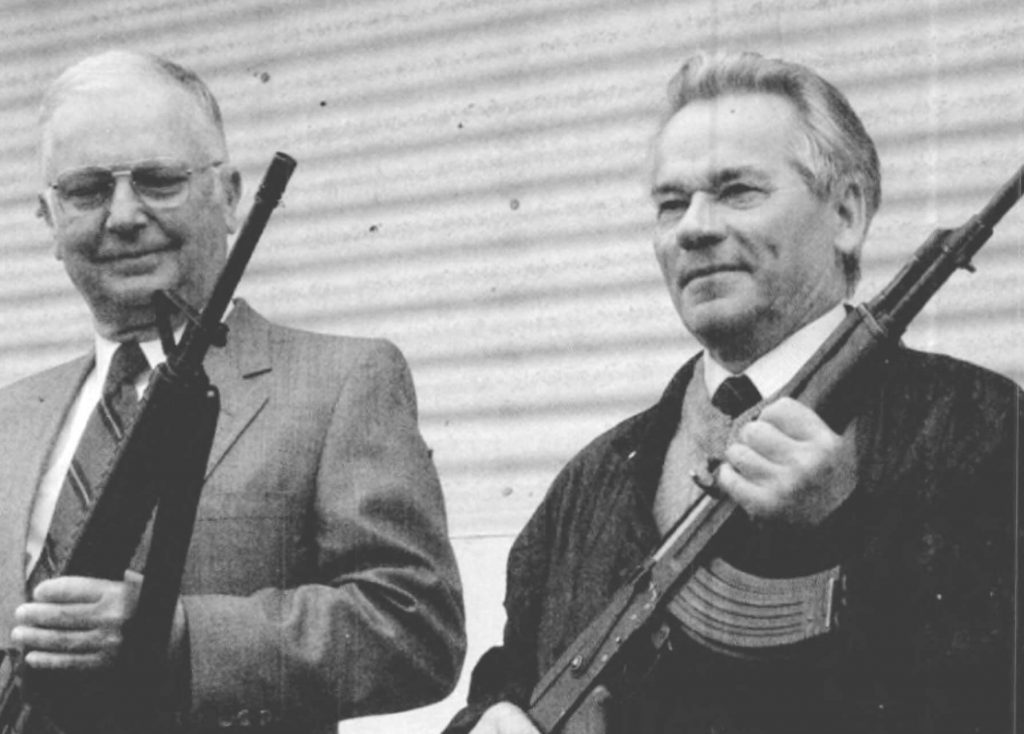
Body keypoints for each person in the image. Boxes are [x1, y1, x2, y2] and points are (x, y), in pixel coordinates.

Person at [444, 51, 1021, 734]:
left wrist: (841, 529)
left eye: (737, 190)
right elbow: (511, 676)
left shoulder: (982, 429)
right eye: (670, 203)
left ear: (847, 213)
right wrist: (486, 721)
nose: (693, 225)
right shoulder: (592, 479)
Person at [0, 50, 465, 733]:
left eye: (159, 182)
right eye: (87, 190)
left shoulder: (340, 384)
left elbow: (416, 628)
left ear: (231, 196)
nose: (123, 215)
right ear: (47, 217)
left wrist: (180, 634)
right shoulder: (12, 417)